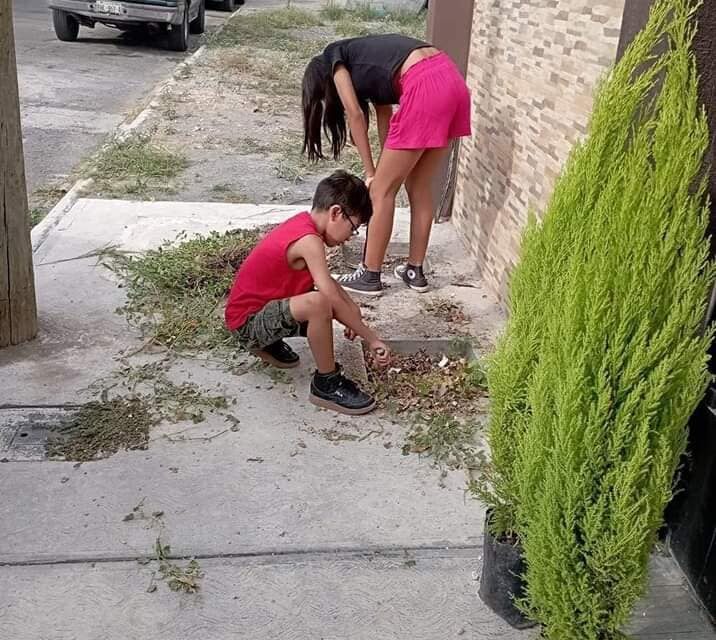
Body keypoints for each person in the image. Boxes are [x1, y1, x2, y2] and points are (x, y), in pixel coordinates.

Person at [302, 33, 471, 296]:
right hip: (453, 82)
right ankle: (415, 271)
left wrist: (372, 173)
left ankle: (369, 274)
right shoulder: (371, 63)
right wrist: (384, 165)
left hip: (424, 86)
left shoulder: (333, 57)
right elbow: (386, 118)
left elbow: (356, 115)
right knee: (419, 185)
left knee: (380, 192)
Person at [225, 170, 391, 415]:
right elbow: (328, 296)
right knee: (318, 304)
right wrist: (370, 336)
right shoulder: (309, 240)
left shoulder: (304, 225)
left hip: (258, 313)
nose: (349, 238)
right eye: (353, 228)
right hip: (247, 323)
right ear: (336, 213)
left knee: (323, 302)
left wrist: (353, 315)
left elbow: (331, 285)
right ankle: (327, 383)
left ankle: (268, 344)